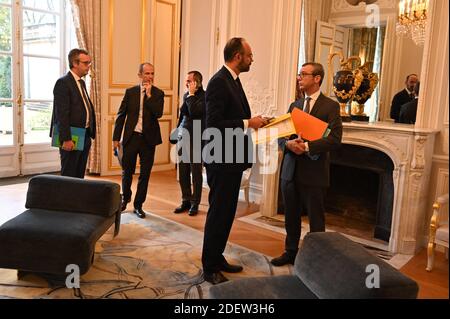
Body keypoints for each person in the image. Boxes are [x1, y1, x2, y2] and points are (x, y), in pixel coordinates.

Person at [201, 37, 267, 284]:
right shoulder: (219, 82)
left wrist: (254, 120)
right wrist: (248, 123)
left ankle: (217, 258)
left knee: (227, 212)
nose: (252, 60)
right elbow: (214, 124)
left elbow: (236, 115)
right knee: (218, 212)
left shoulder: (233, 80)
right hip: (221, 159)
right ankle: (209, 267)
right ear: (238, 56)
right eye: (249, 56)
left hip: (232, 159)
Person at [271, 62, 343, 267]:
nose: (299, 78)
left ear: (317, 78)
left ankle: (317, 259)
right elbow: (280, 136)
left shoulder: (331, 106)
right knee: (291, 217)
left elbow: (336, 139)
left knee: (316, 220)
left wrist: (308, 147)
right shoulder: (294, 106)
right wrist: (288, 144)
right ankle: (290, 252)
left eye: (303, 74)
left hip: (314, 173)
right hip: (290, 171)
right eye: (299, 74)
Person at [112, 63, 164, 219]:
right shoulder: (130, 92)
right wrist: (116, 138)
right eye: (147, 73)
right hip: (131, 137)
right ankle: (125, 198)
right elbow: (121, 115)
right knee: (127, 171)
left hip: (149, 139)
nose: (150, 76)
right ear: (140, 75)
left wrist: (149, 96)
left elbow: (158, 113)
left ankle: (138, 205)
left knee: (145, 174)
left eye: (152, 73)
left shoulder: (158, 93)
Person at [50, 48, 96, 178]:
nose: (88, 66)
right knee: (69, 174)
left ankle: (77, 198)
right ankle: (66, 199)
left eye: (89, 63)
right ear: (75, 64)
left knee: (79, 174)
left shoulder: (81, 82)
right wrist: (66, 139)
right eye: (86, 63)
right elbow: (61, 115)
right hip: (71, 136)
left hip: (85, 133)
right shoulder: (63, 83)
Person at [173, 71, 206, 216]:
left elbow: (194, 112)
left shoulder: (205, 97)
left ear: (197, 82)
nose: (186, 83)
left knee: (196, 172)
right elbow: (183, 115)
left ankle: (195, 203)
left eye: (189, 81)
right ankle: (185, 199)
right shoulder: (187, 95)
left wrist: (191, 95)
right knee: (183, 170)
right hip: (183, 136)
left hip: (197, 138)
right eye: (186, 81)